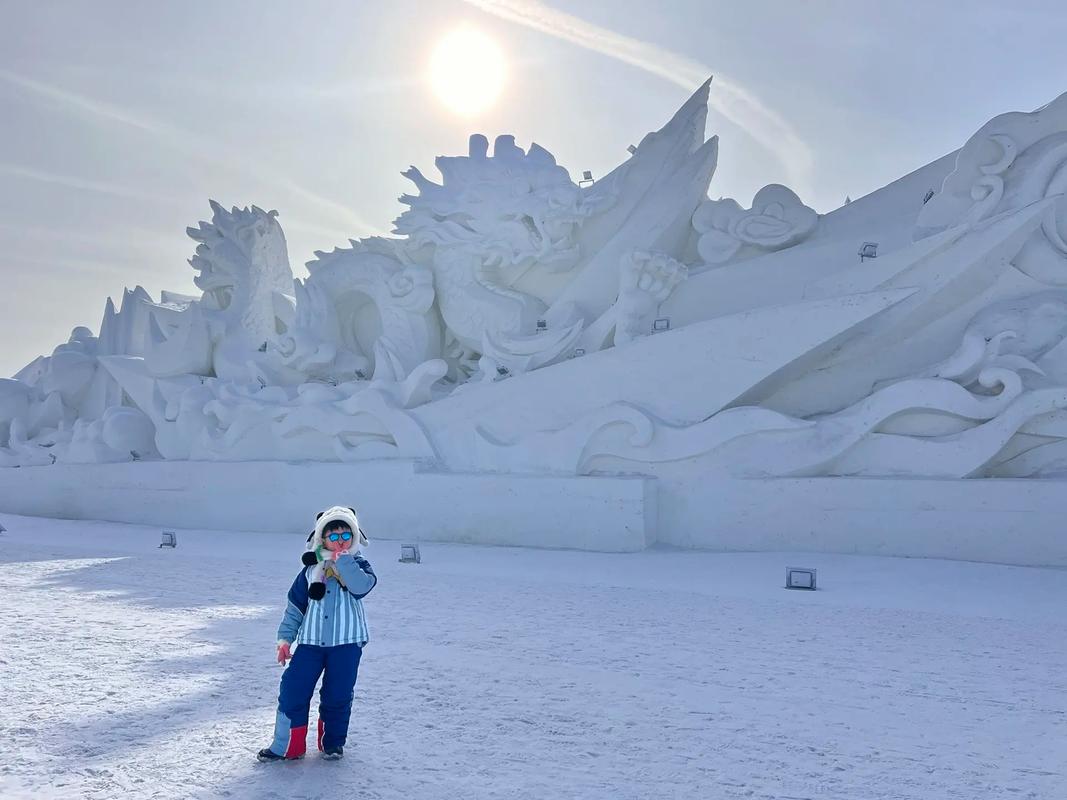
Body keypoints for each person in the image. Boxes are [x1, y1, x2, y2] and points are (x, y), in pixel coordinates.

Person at [257, 506, 377, 762]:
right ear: (321, 538)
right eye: (333, 536)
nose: (340, 541)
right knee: (293, 690)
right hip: (310, 644)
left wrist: (342, 559)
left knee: (338, 694)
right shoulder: (310, 571)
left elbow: (361, 587)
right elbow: (295, 608)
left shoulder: (358, 564)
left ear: (354, 537)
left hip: (346, 644)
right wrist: (285, 639)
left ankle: (331, 743)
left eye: (346, 535)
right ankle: (287, 745)